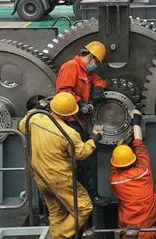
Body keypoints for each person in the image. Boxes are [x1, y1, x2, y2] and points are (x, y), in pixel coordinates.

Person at [19, 92, 103, 239]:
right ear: (69, 114)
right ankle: (59, 236)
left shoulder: (35, 119)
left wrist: (36, 109)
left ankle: (55, 235)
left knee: (56, 212)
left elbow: (22, 126)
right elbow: (80, 154)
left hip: (41, 178)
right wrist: (94, 139)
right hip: (60, 179)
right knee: (84, 207)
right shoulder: (69, 133)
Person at [56, 41, 109, 204]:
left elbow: (99, 80)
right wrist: (80, 103)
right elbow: (64, 91)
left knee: (83, 161)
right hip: (70, 120)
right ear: (90, 56)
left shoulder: (86, 71)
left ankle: (89, 196)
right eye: (96, 61)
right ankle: (87, 197)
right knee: (79, 162)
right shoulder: (71, 67)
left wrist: (98, 88)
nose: (95, 65)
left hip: (80, 120)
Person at [109, 110, 156, 239]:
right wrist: (136, 121)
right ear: (133, 159)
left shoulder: (115, 180)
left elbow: (114, 165)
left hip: (127, 232)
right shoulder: (143, 171)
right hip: (147, 230)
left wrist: (119, 146)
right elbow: (139, 143)